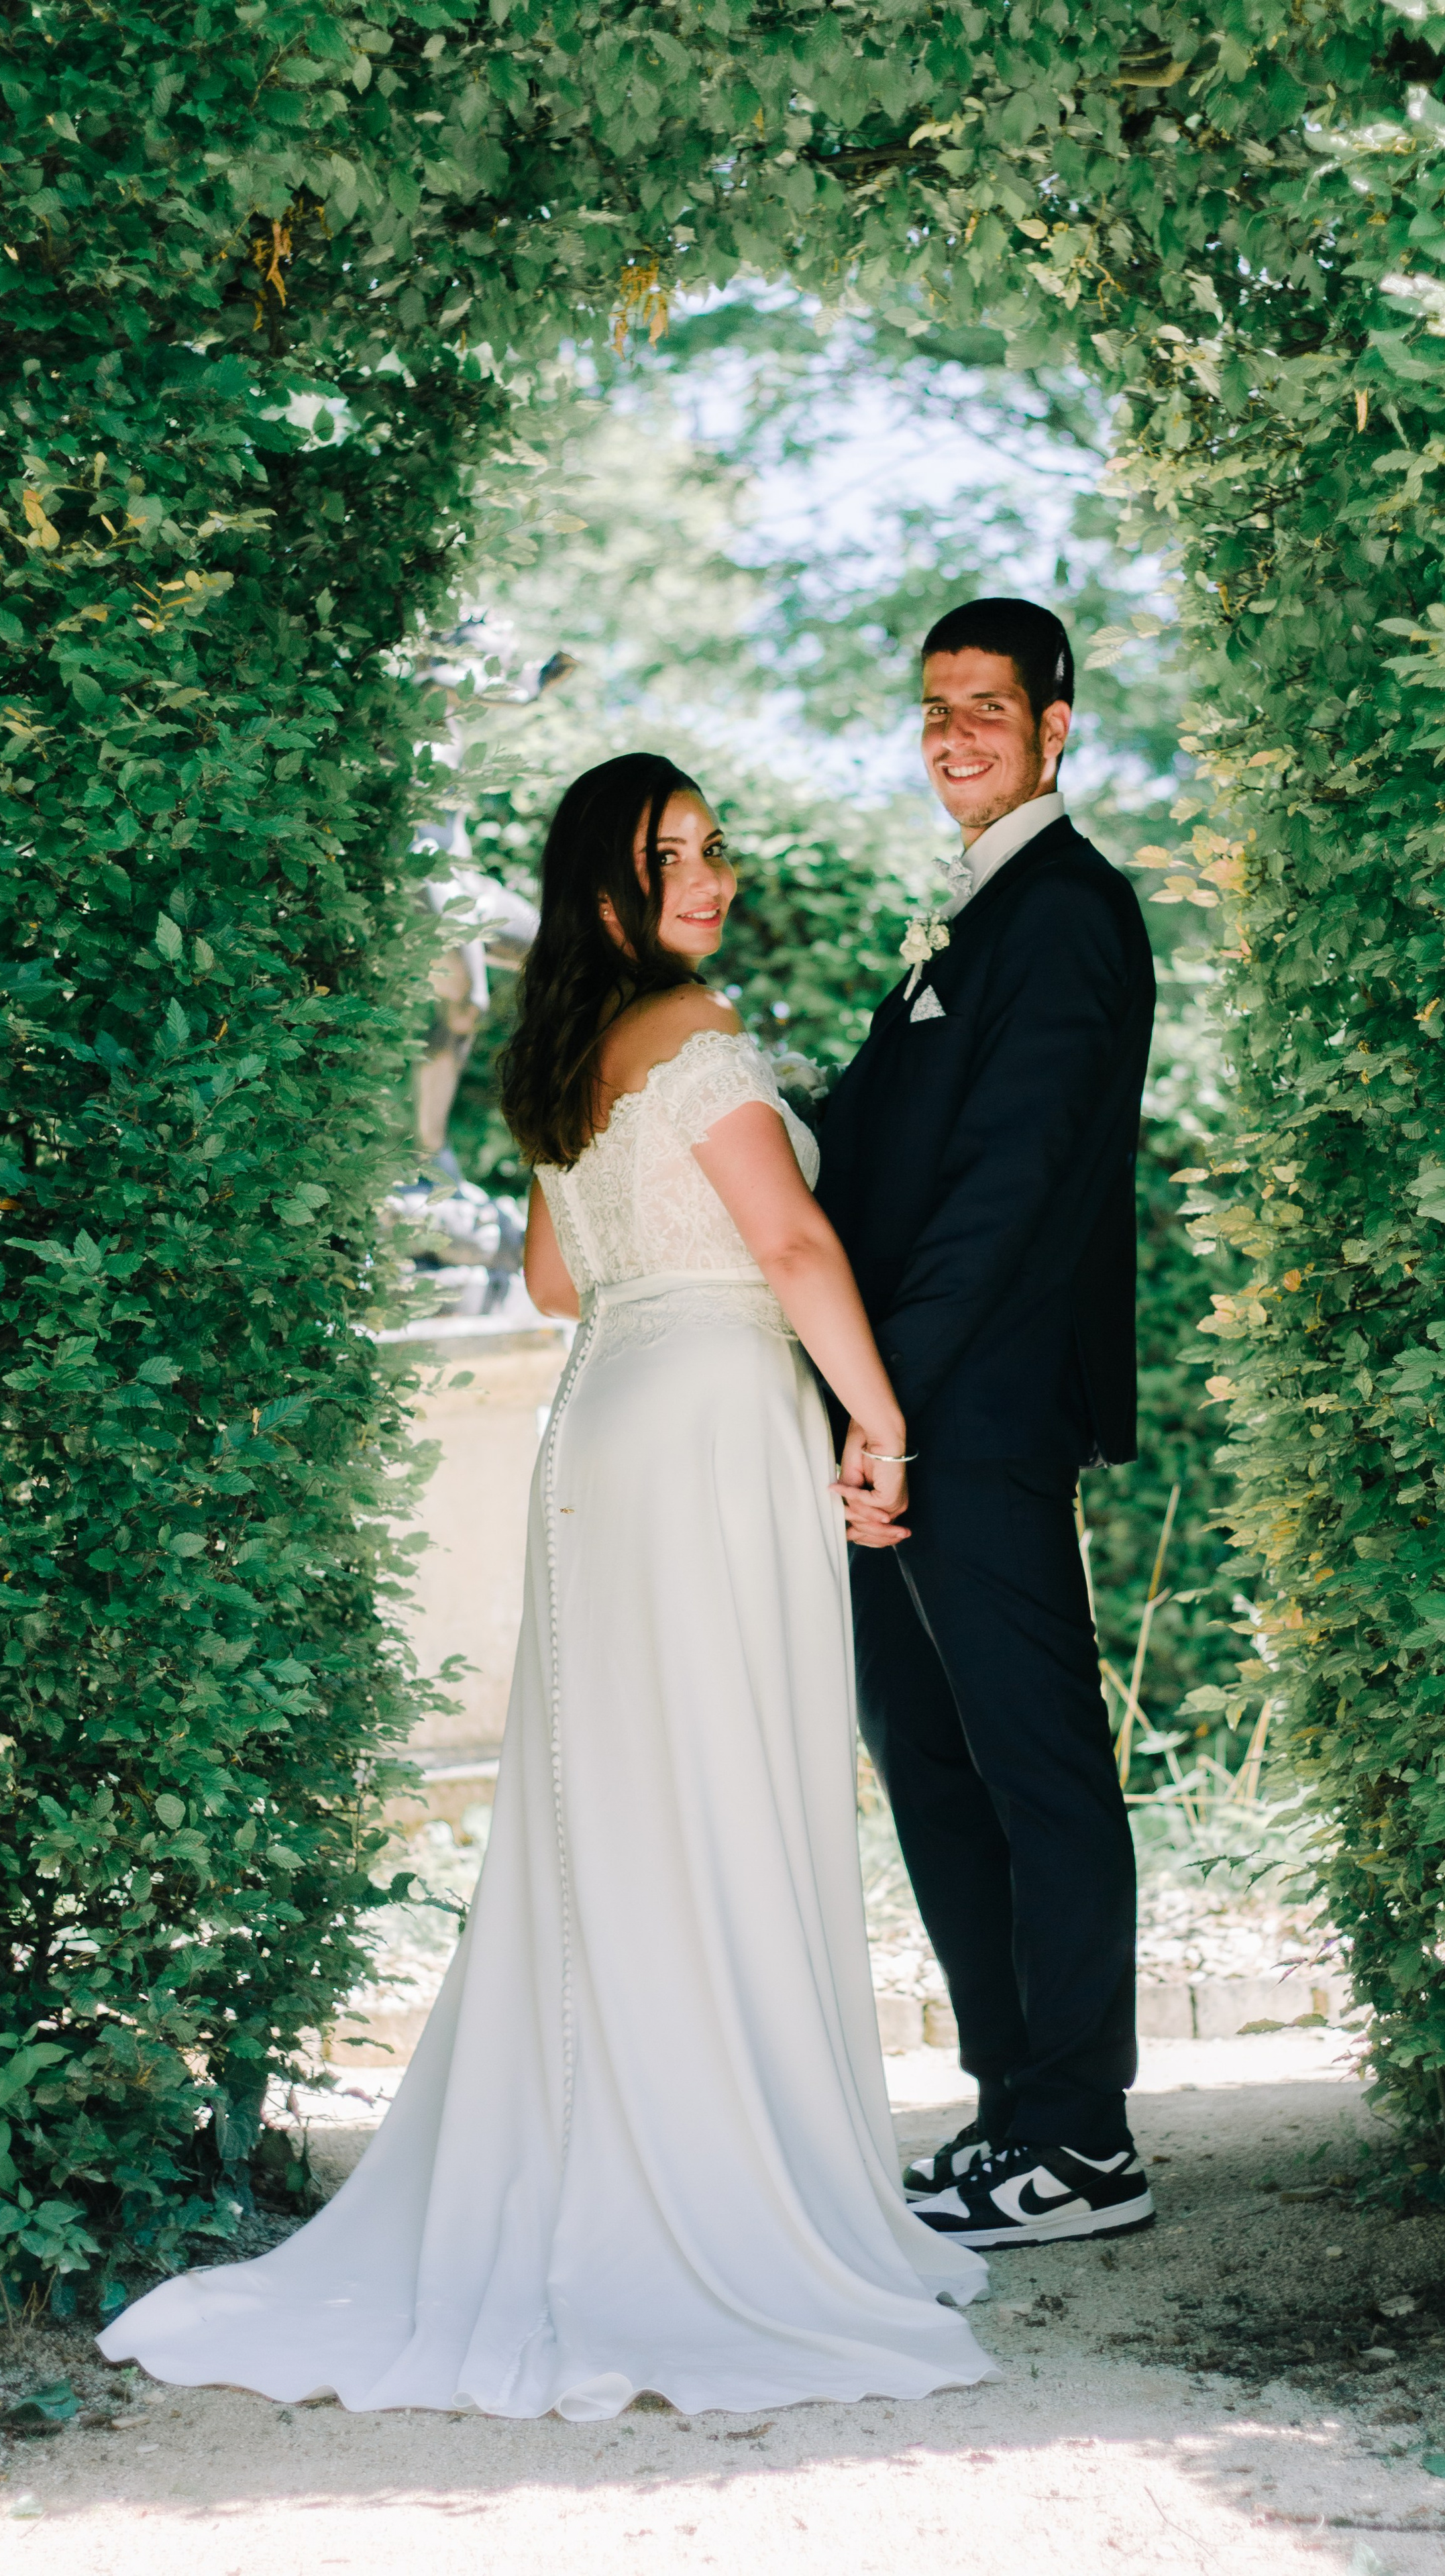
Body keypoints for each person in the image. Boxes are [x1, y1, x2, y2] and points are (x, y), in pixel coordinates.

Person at [99, 753, 990, 2420]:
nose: (711, 880)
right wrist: (877, 1426)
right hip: (715, 1419)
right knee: (720, 1792)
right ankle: (727, 2196)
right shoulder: (695, 1028)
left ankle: (611, 2153)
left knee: (617, 1810)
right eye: (673, 859)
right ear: (604, 892)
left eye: (716, 850)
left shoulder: (569, 1057)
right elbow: (793, 1249)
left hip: (603, 1434)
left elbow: (554, 1273)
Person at [816, 598, 1158, 2251]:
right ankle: (1011, 2106)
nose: (953, 733)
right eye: (934, 706)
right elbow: (875, 1153)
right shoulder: (965, 913)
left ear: (1056, 723)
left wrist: (891, 1405)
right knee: (931, 1762)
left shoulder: (1068, 913)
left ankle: (1085, 2137)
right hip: (896, 1410)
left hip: (979, 1411)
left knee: (1033, 1765)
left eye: (986, 708)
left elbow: (1004, 1191)